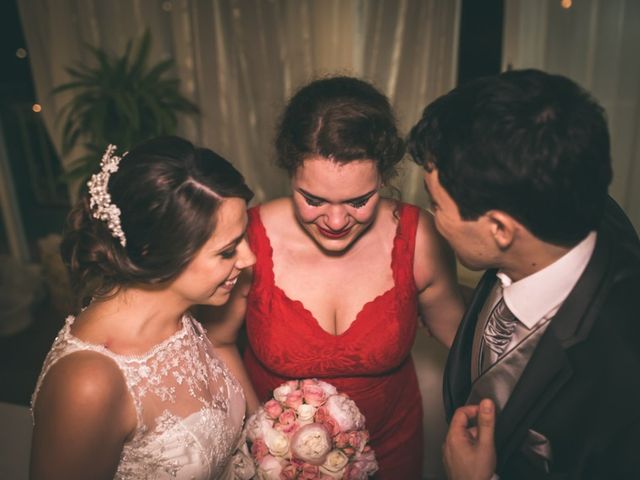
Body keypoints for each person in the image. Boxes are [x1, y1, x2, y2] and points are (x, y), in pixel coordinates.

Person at [204, 76, 465, 478]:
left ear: (385, 177)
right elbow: (219, 342)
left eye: (360, 201)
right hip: (275, 460)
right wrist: (265, 435)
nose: (337, 221)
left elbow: (465, 345)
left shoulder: (419, 237)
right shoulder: (249, 240)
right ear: (290, 172)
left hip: (391, 449)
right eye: (313, 199)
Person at [408, 69, 640, 479]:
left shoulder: (622, 369)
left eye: (437, 204)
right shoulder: (556, 192)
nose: (432, 217)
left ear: (499, 228)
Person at [30, 137, 257, 480]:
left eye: (244, 236)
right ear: (154, 252)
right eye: (227, 251)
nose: (249, 257)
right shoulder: (89, 384)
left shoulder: (186, 316)